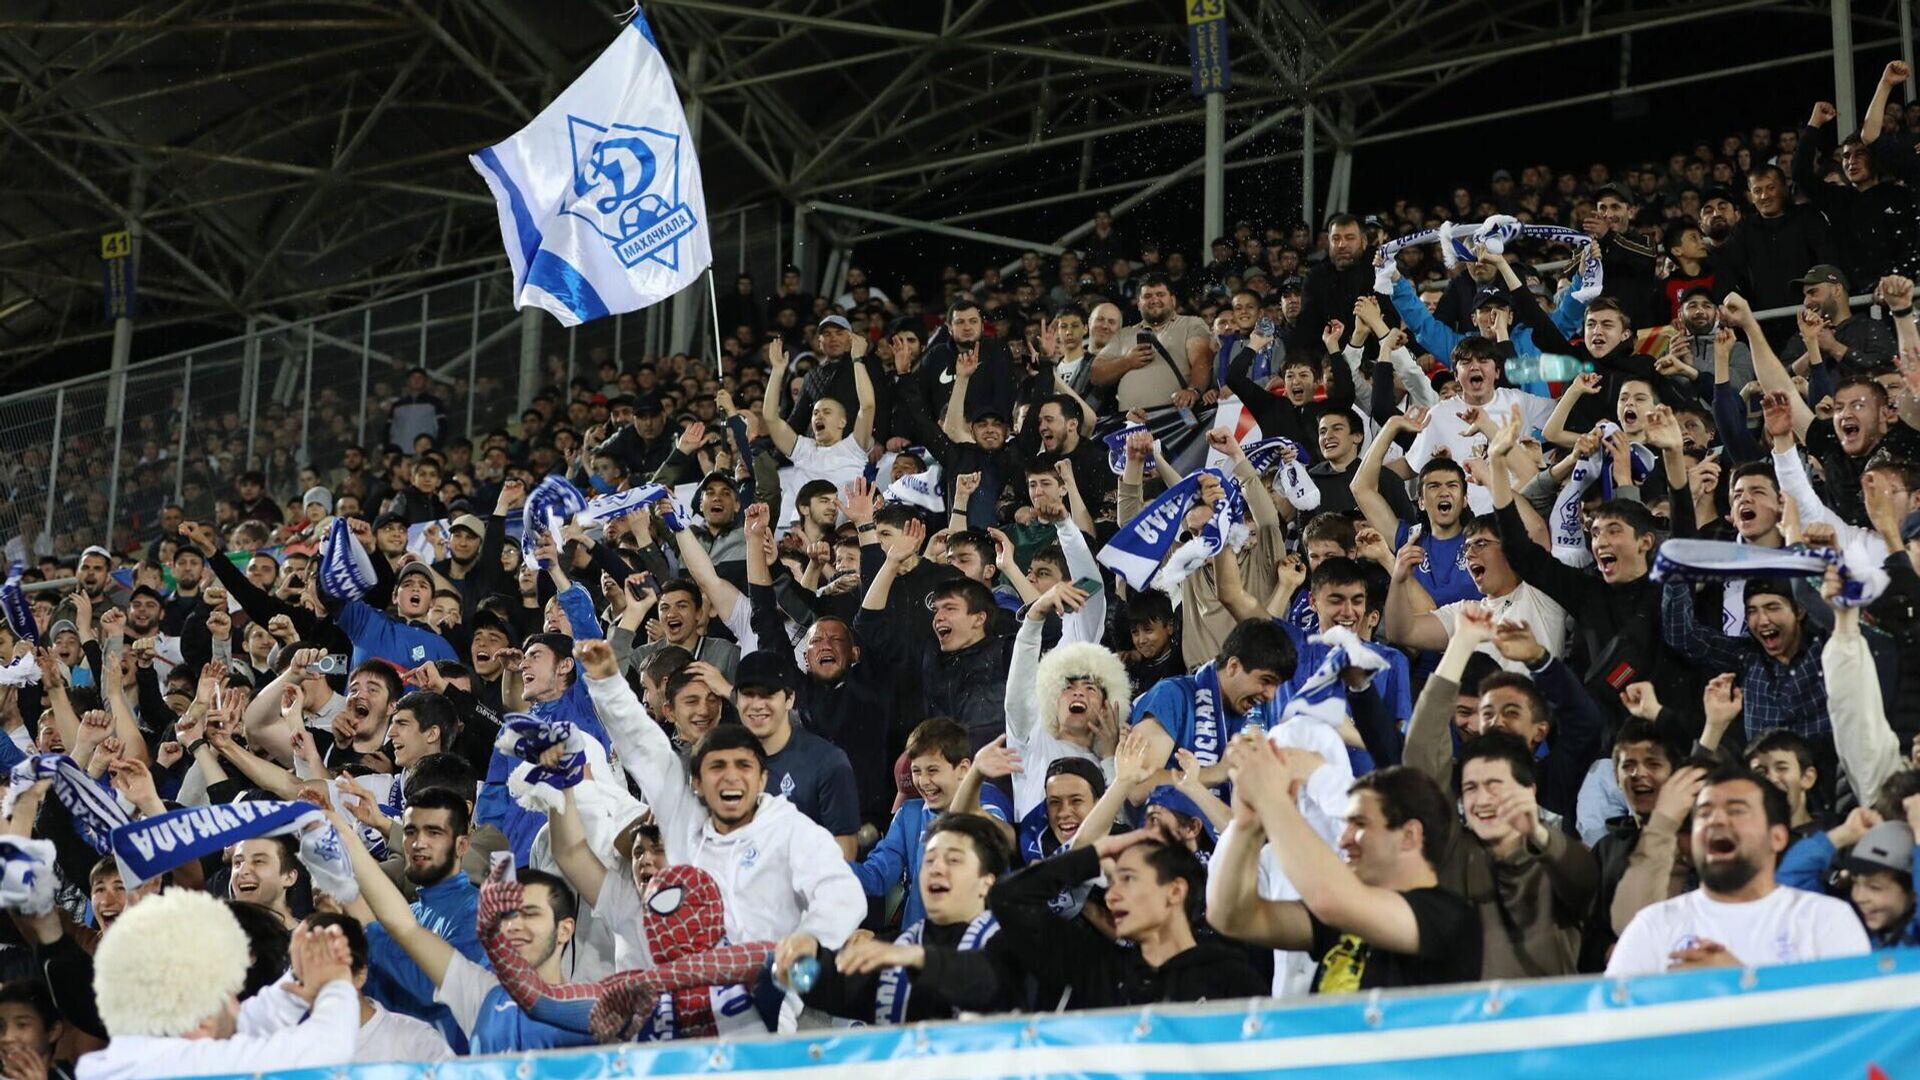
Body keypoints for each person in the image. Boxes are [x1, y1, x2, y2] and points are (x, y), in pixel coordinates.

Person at [578, 638, 864, 1027]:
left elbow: (843, 892)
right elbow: (644, 748)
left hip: (761, 1019)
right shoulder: (684, 818)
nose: (731, 777)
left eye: (743, 766)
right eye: (717, 767)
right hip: (683, 1012)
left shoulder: (787, 828)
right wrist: (608, 682)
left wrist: (811, 937)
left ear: (762, 779)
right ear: (696, 782)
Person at [1209, 743, 1482, 992]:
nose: (1343, 839)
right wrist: (1248, 825)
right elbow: (1231, 917)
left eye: (1360, 824)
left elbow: (1328, 899)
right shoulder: (1344, 917)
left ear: (1409, 835)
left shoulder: (1449, 918)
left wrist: (1270, 798)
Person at [1606, 766, 1871, 974]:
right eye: (1704, 813)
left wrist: (1739, 982)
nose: (1716, 820)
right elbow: (1610, 1021)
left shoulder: (1825, 920)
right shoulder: (1652, 927)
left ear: (1777, 838)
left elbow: (1852, 1023)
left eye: (1736, 811)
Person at [79, 891, 359, 1079]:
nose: (239, 1005)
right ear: (201, 1017)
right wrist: (335, 982)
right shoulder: (181, 1067)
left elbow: (243, 1022)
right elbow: (323, 1051)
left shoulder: (135, 1056)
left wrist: (299, 980)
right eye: (230, 994)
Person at [777, 814, 1024, 1023]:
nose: (937, 868)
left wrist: (917, 958)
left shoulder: (1011, 942)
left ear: (986, 882)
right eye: (929, 860)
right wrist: (803, 957)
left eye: (954, 860)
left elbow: (989, 983)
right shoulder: (896, 948)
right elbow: (830, 987)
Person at [987, 828, 1262, 1009]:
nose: (1111, 896)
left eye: (1128, 879)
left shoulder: (1233, 977)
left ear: (1175, 891)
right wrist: (1096, 852)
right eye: (1111, 882)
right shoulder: (1098, 969)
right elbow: (1007, 898)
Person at [237, 913, 454, 1063]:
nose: (315, 982)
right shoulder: (289, 1046)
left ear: (360, 975)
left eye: (329, 970)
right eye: (305, 971)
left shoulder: (415, 1040)